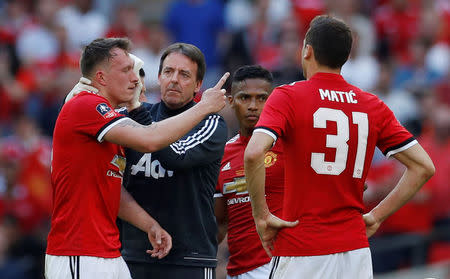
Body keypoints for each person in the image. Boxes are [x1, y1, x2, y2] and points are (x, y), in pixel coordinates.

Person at [243, 15, 435, 279]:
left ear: (307, 50)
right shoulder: (372, 105)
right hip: (355, 252)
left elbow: (253, 153)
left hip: (302, 248)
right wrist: (377, 216)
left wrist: (261, 216)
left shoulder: (288, 96)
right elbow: (423, 166)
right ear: (344, 57)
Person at [45, 38, 228, 279]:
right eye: (126, 70)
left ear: (198, 84)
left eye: (184, 74)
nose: (136, 79)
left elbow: (111, 186)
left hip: (132, 254)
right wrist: (203, 106)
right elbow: (150, 140)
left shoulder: (115, 121)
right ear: (101, 78)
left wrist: (149, 224)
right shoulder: (89, 107)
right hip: (85, 251)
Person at [120, 42, 228, 279]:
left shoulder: (210, 123)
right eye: (168, 72)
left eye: (184, 74)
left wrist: (137, 112)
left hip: (189, 260)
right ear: (158, 77)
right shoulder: (128, 118)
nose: (174, 79)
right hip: (132, 256)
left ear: (198, 85)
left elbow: (176, 156)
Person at [214, 65, 284, 279]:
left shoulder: (292, 146)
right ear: (231, 101)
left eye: (262, 98)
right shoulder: (221, 155)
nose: (253, 106)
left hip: (283, 265)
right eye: (245, 98)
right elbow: (219, 224)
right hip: (239, 270)